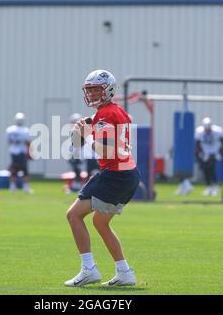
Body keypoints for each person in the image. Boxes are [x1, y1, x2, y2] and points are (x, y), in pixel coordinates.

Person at [65, 70, 139, 287]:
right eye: (90, 90)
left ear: (109, 90)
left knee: (73, 215)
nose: (93, 93)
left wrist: (87, 135)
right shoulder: (107, 112)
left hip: (116, 174)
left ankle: (88, 269)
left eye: (97, 89)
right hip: (125, 174)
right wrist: (80, 133)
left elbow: (105, 152)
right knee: (100, 222)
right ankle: (124, 272)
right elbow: (76, 145)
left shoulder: (107, 113)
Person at [195, 117, 223, 196]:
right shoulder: (200, 131)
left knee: (212, 169)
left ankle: (215, 187)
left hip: (214, 153)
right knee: (205, 170)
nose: (207, 130)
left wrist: (219, 153)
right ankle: (208, 187)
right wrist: (201, 154)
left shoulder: (217, 131)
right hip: (205, 153)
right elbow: (197, 144)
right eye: (206, 128)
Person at [6, 112, 33, 194]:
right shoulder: (25, 130)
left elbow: (9, 141)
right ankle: (26, 188)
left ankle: (12, 187)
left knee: (13, 170)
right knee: (25, 171)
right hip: (21, 152)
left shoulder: (9, 130)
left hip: (13, 152)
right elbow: (27, 142)